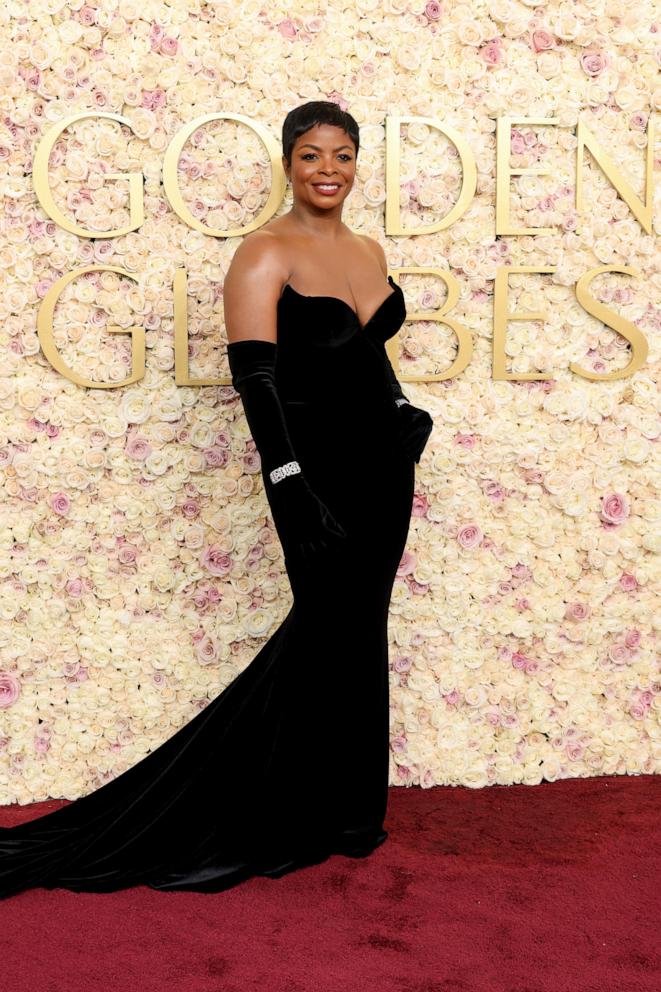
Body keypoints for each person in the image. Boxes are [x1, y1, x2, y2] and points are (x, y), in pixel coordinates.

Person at [0, 101, 432, 899]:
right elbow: (257, 378)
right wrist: (287, 480)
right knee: (325, 629)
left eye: (340, 155)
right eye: (310, 155)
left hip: (383, 466)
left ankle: (344, 814)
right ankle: (268, 809)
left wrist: (403, 405)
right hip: (313, 471)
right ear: (287, 163)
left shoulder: (367, 249)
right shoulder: (264, 252)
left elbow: (366, 356)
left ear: (357, 163)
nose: (326, 170)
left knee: (353, 629)